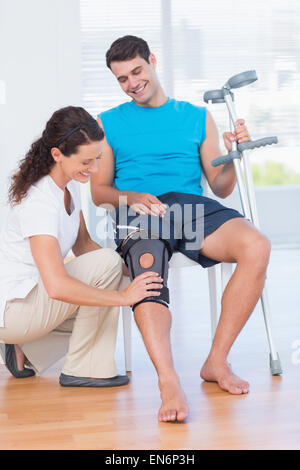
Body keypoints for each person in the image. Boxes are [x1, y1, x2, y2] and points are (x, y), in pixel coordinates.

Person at [90, 36, 271, 420]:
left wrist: (232, 156)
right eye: (122, 78)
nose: (132, 83)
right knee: (148, 273)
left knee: (256, 245)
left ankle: (216, 362)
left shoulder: (196, 116)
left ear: (152, 61)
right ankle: (168, 380)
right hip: (140, 211)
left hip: (191, 209)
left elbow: (220, 187)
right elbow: (99, 193)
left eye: (137, 71)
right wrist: (132, 196)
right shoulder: (107, 124)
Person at [0, 105, 163, 387]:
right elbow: (57, 287)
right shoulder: (39, 201)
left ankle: (27, 348)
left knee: (106, 276)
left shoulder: (70, 183)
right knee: (105, 276)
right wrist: (124, 297)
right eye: (87, 162)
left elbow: (84, 245)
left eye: (98, 159)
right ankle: (83, 368)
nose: (96, 169)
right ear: (57, 155)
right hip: (14, 311)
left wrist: (129, 272)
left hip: (32, 303)